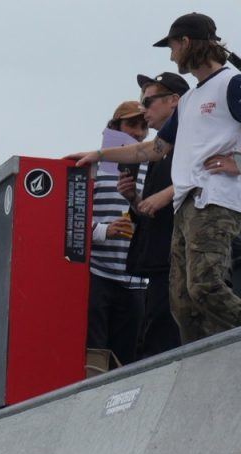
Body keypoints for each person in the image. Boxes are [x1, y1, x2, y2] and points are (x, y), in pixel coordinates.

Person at [71, 13, 241, 344]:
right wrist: (100, 155)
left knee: (205, 286)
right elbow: (152, 149)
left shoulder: (231, 83)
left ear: (186, 43)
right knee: (182, 302)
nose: (171, 55)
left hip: (216, 201)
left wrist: (238, 160)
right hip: (184, 208)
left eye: (173, 46)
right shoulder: (190, 99)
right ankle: (210, 368)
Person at [121, 73, 190, 358]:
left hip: (185, 258)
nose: (143, 110)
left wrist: (167, 193)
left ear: (174, 101)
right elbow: (149, 212)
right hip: (158, 261)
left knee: (172, 338)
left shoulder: (193, 140)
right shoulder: (158, 153)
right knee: (154, 339)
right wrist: (134, 199)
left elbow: (208, 176)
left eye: (147, 102)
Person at [86, 101, 150, 366]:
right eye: (131, 124)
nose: (137, 132)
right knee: (93, 355)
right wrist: (104, 230)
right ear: (115, 127)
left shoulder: (153, 166)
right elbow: (72, 220)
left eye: (143, 126)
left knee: (127, 361)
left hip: (136, 280)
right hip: (97, 275)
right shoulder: (94, 165)